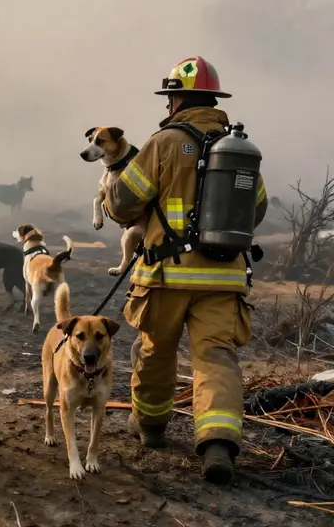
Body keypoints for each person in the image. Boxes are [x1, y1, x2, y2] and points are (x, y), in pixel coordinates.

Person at [103, 56, 267, 484]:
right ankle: (217, 443)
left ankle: (153, 427)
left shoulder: (164, 142)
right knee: (216, 358)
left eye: (170, 97)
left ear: (176, 99)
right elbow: (257, 208)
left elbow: (123, 204)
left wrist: (109, 199)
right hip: (224, 277)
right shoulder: (239, 148)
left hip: (167, 275)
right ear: (213, 100)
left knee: (157, 350)